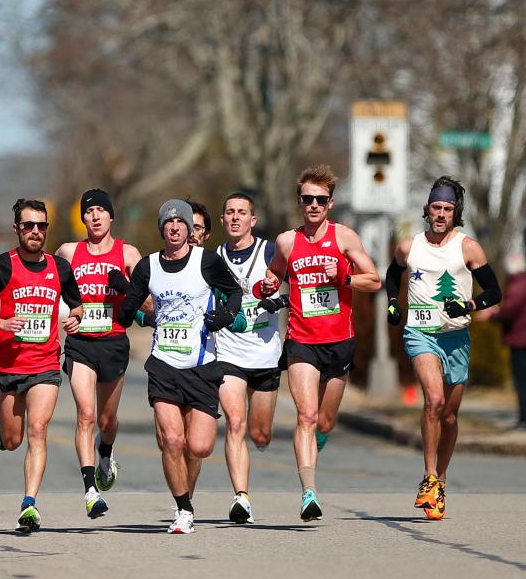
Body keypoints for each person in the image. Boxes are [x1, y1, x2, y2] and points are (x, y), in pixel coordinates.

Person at [261, 164, 381, 522]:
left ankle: (317, 441)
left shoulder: (344, 238)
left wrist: (343, 275)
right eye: (307, 199)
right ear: (300, 202)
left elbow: (373, 280)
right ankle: (309, 492)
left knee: (325, 421)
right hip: (301, 341)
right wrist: (267, 285)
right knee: (306, 414)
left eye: (320, 200)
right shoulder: (286, 241)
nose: (313, 205)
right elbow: (273, 275)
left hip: (339, 340)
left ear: (330, 204)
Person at [116, 199, 243, 534]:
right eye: (168, 223)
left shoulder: (206, 260)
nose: (174, 227)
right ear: (162, 229)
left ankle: (187, 494)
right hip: (164, 366)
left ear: (189, 230)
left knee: (198, 446)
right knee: (172, 440)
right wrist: (125, 309)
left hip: (201, 366)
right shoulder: (148, 266)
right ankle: (183, 509)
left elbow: (233, 293)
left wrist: (226, 315)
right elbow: (133, 303)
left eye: (180, 223)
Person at [385, 175, 501, 520]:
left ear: (456, 212)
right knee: (433, 400)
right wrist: (393, 302)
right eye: (436, 207)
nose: (440, 214)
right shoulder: (410, 246)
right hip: (420, 334)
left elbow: (494, 292)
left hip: (456, 337)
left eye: (447, 209)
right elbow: (393, 274)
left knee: (449, 416)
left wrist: (469, 307)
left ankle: (441, 480)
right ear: (427, 210)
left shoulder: (468, 248)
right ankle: (429, 476)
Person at [0, 198, 83, 533]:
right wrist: (1, 323)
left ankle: (29, 504)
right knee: (15, 439)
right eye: (28, 225)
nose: (35, 231)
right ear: (16, 228)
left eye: (41, 226)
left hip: (45, 363)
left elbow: (77, 306)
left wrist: (74, 318)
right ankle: (4, 431)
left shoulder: (59, 269)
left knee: (38, 430)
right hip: (7, 364)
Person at [54, 189, 142, 519]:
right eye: (89, 211)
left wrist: (127, 287)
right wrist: (64, 318)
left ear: (111, 217)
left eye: (100, 211)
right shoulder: (68, 251)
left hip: (114, 343)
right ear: (82, 218)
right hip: (81, 345)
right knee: (86, 415)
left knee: (107, 420)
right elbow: (51, 286)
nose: (95, 216)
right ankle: (90, 490)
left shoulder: (128, 253)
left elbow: (149, 302)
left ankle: (105, 452)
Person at [214, 192, 289, 524]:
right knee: (234, 423)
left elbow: (293, 285)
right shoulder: (212, 259)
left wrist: (280, 299)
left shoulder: (269, 251)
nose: (234, 217)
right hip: (228, 352)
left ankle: (260, 441)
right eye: (229, 212)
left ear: (252, 220)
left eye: (241, 212)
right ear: (222, 220)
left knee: (260, 434)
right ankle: (241, 497)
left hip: (265, 353)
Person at [487, 252, 526, 431]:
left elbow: (510, 310)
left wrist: (493, 315)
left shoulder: (517, 285)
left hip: (520, 340)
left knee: (522, 382)